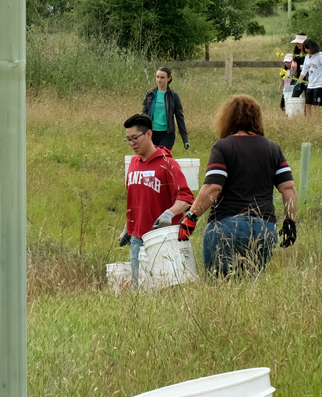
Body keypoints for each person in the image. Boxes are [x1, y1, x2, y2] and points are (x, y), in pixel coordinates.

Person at [178, 95, 297, 277]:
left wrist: (192, 216)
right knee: (252, 287)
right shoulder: (273, 148)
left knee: (220, 285)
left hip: (226, 226)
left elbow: (213, 187)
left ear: (227, 118)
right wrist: (290, 221)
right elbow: (288, 188)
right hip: (264, 228)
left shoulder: (223, 147)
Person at [122, 113, 194, 287]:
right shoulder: (133, 164)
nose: (132, 143)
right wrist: (128, 226)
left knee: (167, 285)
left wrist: (170, 213)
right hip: (137, 238)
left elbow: (186, 197)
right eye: (128, 139)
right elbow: (135, 198)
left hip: (162, 237)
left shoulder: (167, 164)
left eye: (135, 138)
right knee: (140, 287)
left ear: (148, 134)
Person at [141, 66, 190, 151]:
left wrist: (185, 139)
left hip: (167, 134)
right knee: (150, 158)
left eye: (162, 77)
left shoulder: (173, 96)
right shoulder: (150, 94)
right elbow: (144, 114)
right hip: (151, 132)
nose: (159, 80)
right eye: (157, 77)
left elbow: (180, 117)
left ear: (169, 79)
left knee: (162, 157)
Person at [301, 38, 322, 107]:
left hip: (319, 85)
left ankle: (318, 117)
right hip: (310, 84)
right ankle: (309, 117)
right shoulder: (307, 57)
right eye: (305, 48)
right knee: (308, 104)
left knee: (316, 105)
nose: (306, 50)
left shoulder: (319, 56)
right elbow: (304, 70)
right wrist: (299, 81)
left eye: (308, 48)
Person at [280, 35, 306, 109]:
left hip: (306, 79)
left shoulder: (307, 55)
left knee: (307, 101)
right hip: (298, 78)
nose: (297, 45)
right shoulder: (296, 54)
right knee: (294, 97)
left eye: (299, 43)